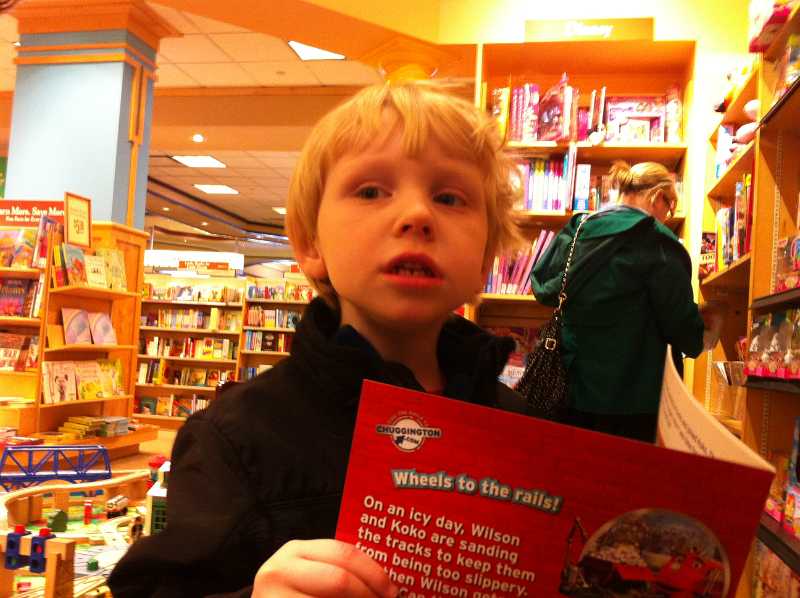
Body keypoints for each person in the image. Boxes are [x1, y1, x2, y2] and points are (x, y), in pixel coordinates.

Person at [108, 81, 527, 598]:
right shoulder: (235, 437)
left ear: (486, 259)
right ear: (311, 244)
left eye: (449, 197)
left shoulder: (524, 432)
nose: (417, 215)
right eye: (371, 191)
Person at [531, 161, 720, 443]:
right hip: (635, 408)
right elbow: (686, 335)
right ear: (657, 196)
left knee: (574, 468)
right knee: (627, 471)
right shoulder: (660, 244)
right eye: (670, 207)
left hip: (569, 395)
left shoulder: (578, 229)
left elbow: (543, 288)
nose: (667, 217)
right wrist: (709, 324)